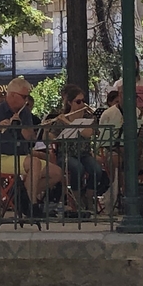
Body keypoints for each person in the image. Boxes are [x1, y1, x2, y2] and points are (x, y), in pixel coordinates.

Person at [0, 77, 63, 209]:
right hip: (2, 157)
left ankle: (21, 198)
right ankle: (31, 205)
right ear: (13, 95)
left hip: (23, 156)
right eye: (24, 96)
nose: (26, 100)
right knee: (34, 162)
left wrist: (21, 127)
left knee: (56, 173)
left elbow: (31, 138)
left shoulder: (24, 112)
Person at [44, 84, 104, 212]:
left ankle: (88, 197)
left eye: (83, 101)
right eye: (78, 101)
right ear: (70, 103)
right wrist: (46, 130)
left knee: (97, 170)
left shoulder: (88, 118)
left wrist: (68, 123)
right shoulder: (61, 119)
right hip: (66, 155)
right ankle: (77, 201)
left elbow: (88, 133)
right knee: (78, 168)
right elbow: (50, 138)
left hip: (84, 154)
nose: (82, 104)